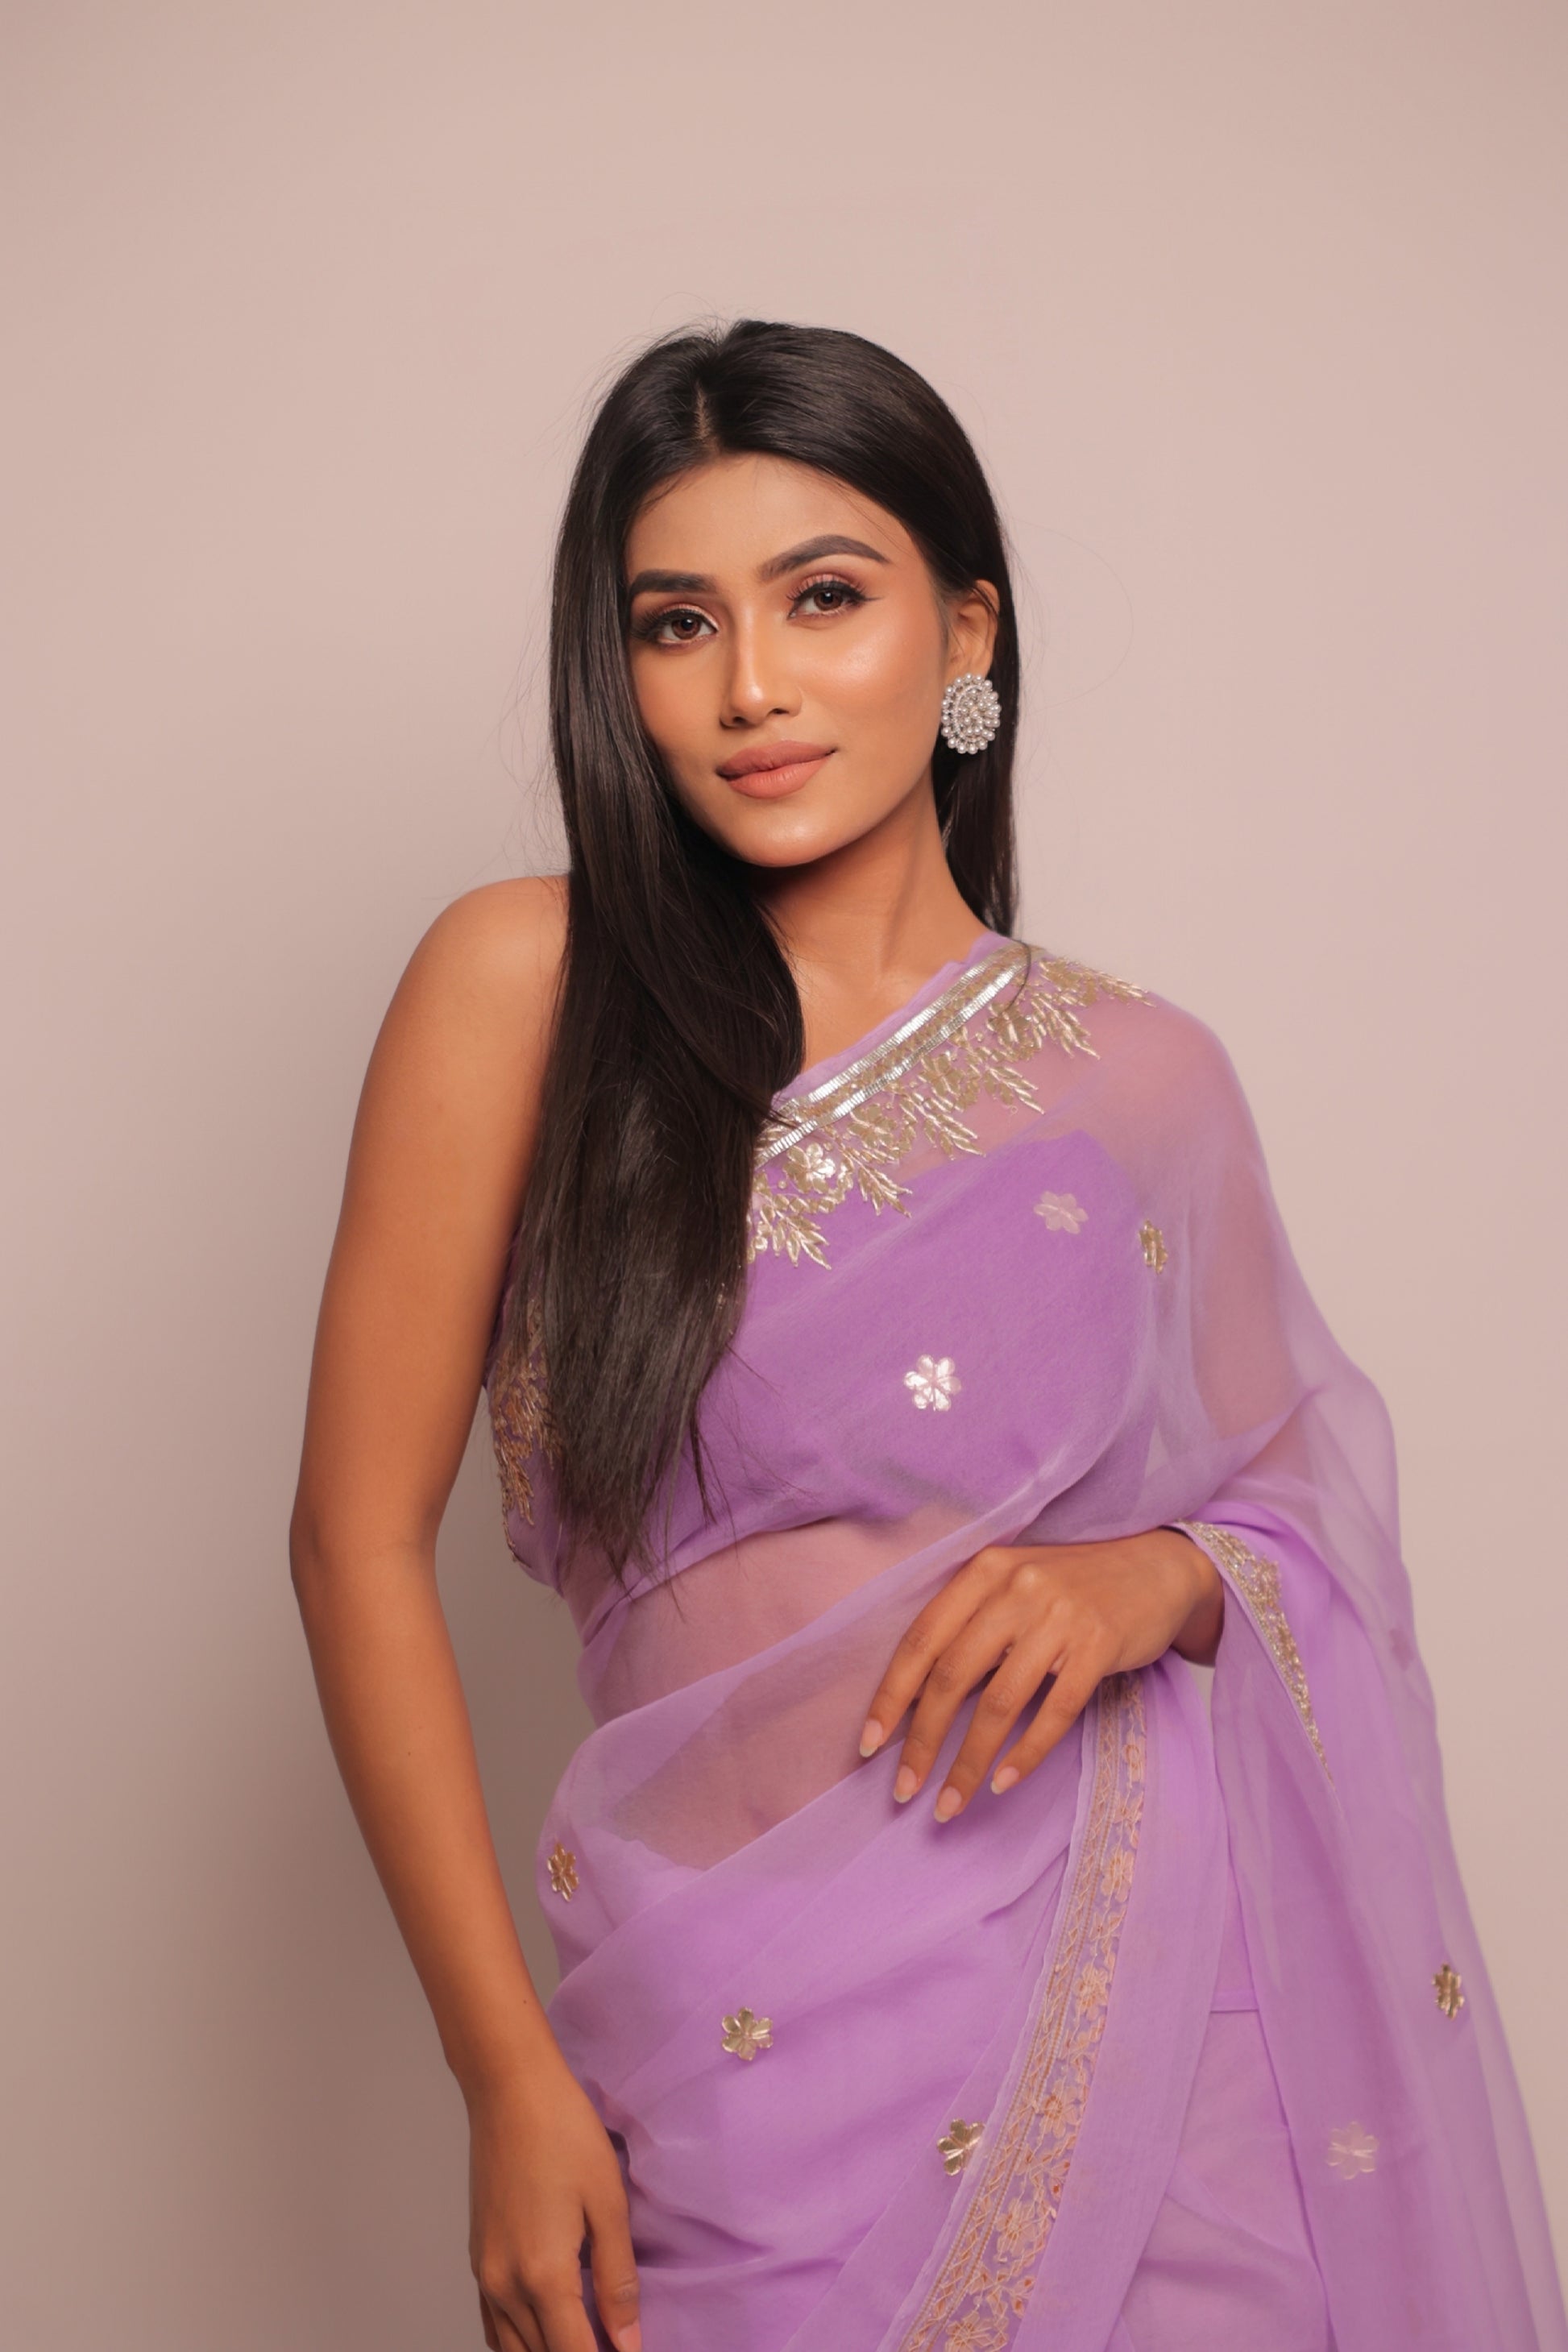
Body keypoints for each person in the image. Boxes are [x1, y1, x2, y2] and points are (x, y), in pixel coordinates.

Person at [289, 320, 1565, 2352]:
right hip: (730, 2058)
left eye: (823, 597)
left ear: (964, 632)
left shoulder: (1142, 1076)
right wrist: (502, 2070)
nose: (752, 684)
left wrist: (1159, 1576)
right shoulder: (526, 983)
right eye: (678, 622)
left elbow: (1308, 1501)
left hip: (1163, 2026)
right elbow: (352, 1543)